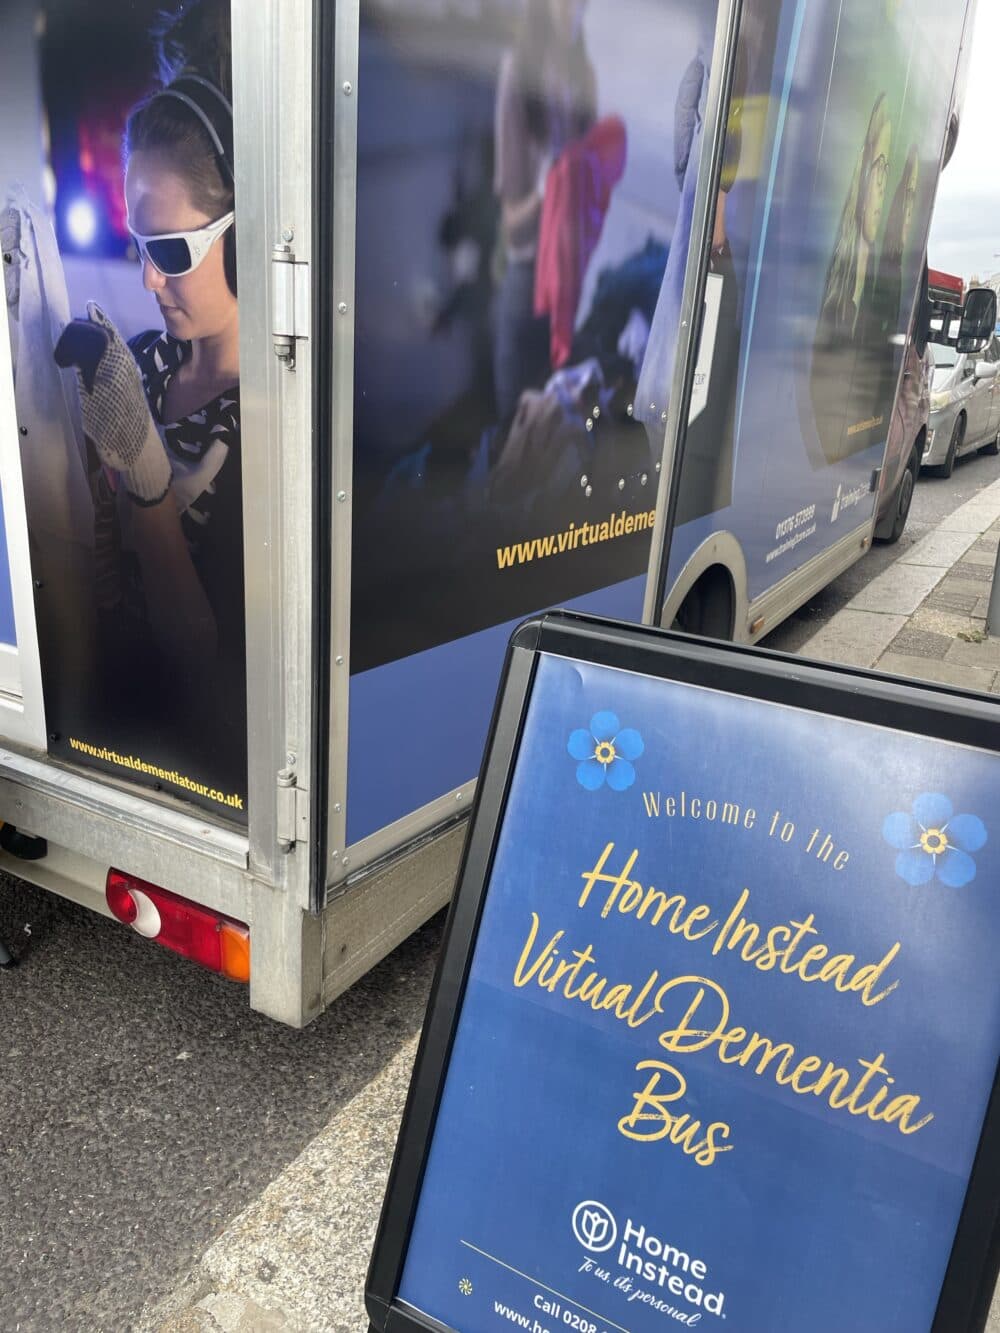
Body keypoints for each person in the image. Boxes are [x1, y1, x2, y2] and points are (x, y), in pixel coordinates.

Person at [57, 0, 246, 807]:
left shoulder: (271, 424)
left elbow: (204, 655)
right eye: (139, 247)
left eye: (170, 250)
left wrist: (147, 483)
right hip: (108, 724)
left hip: (199, 764)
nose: (147, 281)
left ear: (246, 233)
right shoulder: (147, 362)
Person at [493, 0, 596, 421]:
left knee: (554, 441)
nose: (577, 9)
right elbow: (512, 229)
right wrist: (548, 188)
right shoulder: (518, 72)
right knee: (513, 443)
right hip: (526, 282)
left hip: (567, 290)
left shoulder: (580, 76)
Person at [809, 95, 893, 463]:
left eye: (889, 175)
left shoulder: (875, 302)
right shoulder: (830, 304)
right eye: (880, 167)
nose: (882, 190)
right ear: (861, 172)